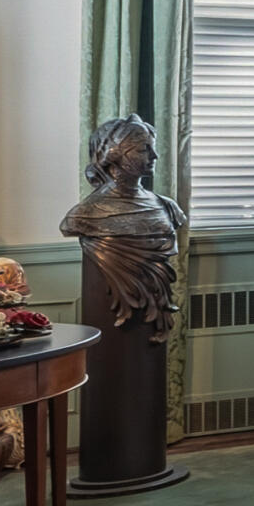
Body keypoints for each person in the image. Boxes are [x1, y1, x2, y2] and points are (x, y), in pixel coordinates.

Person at [62, 115, 187, 339]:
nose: (154, 156)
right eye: (143, 149)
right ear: (114, 154)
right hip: (111, 321)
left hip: (153, 317)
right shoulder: (86, 213)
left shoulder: (166, 206)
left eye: (152, 148)